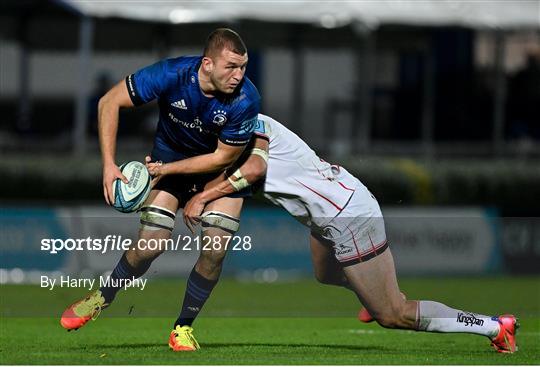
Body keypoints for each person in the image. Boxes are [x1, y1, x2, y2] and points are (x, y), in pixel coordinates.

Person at [181, 113, 519, 354]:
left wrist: (199, 194)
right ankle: (371, 292)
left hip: (347, 214)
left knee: (394, 313)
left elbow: (252, 170)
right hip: (330, 214)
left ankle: (493, 326)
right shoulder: (230, 135)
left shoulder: (250, 128)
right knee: (325, 274)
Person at [60, 28, 260, 352]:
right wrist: (109, 164)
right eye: (231, 67)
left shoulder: (246, 99)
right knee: (149, 247)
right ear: (207, 64)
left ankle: (182, 328)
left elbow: (222, 157)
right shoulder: (172, 73)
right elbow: (109, 102)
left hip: (218, 173)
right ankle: (103, 297)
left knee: (215, 249)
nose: (239, 76)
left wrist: (200, 194)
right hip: (169, 164)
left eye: (243, 67)